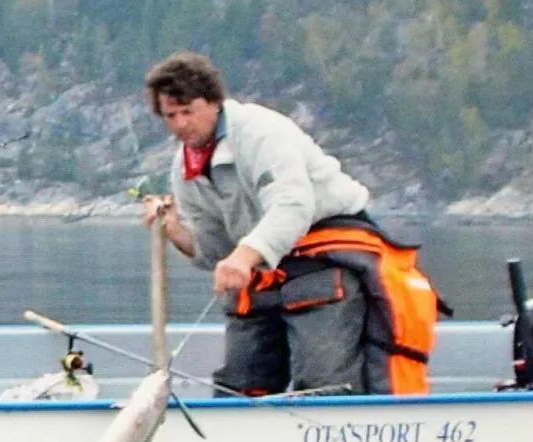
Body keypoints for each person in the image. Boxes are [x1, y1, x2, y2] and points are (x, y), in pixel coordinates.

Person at [140, 52, 439, 396]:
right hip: (265, 266)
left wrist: (243, 257)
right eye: (170, 116)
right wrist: (174, 229)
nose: (180, 124)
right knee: (240, 384)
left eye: (187, 111)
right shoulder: (185, 169)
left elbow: (293, 206)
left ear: (213, 102)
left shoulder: (260, 133)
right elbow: (216, 251)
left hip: (325, 252)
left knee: (323, 381)